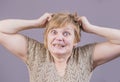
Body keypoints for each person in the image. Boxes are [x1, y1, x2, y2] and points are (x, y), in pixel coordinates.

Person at [0, 12, 120, 82]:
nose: (59, 38)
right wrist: (35, 23)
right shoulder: (35, 52)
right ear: (46, 37)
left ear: (75, 40)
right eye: (53, 32)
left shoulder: (86, 56)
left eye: (66, 33)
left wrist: (91, 28)